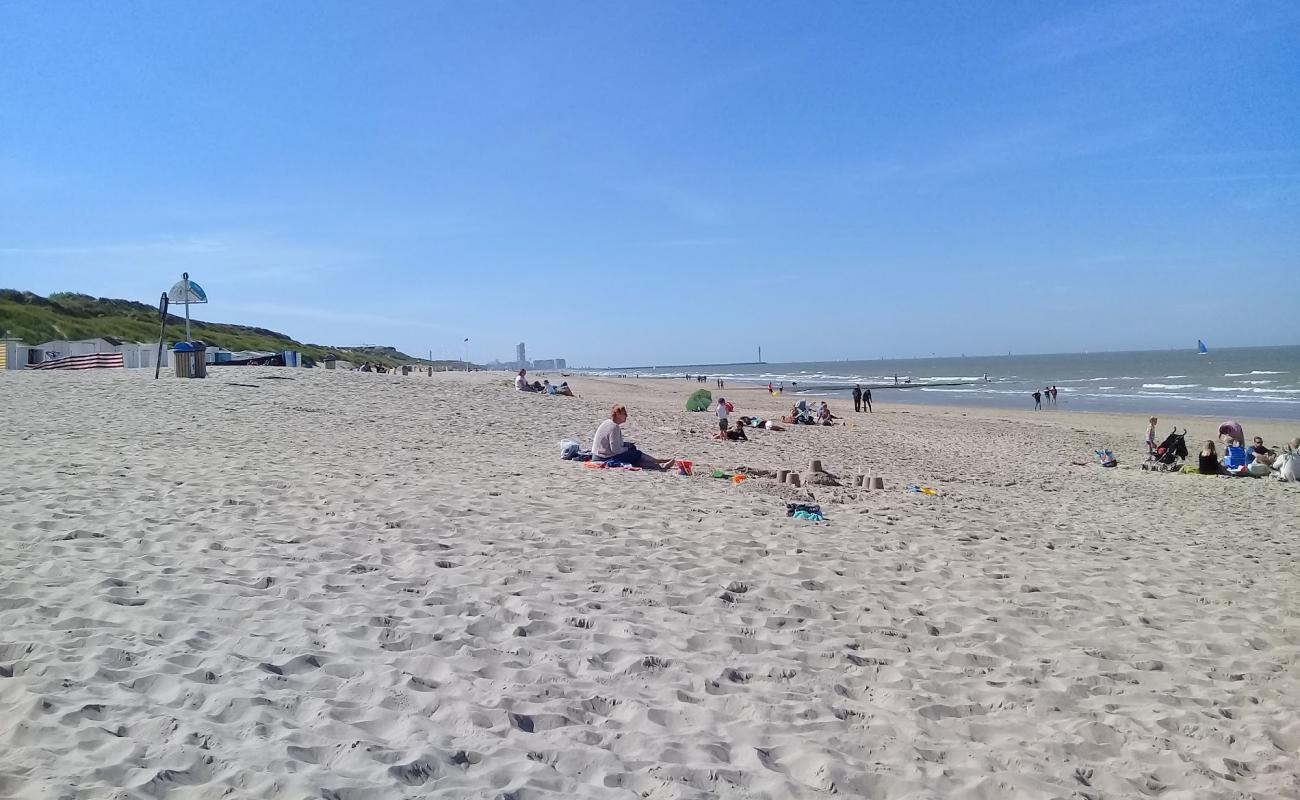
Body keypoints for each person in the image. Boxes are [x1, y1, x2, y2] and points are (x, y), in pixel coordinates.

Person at [591, 405, 676, 470]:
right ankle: (658, 462)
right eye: (624, 414)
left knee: (633, 455)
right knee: (636, 453)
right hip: (603, 458)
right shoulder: (614, 427)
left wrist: (626, 445)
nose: (626, 416)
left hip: (597, 456)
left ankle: (658, 464)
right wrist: (627, 449)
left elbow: (611, 444)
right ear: (617, 414)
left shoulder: (607, 423)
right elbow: (615, 450)